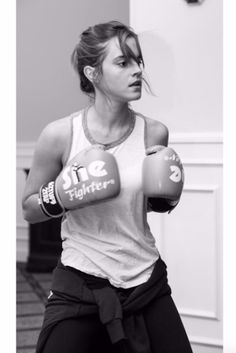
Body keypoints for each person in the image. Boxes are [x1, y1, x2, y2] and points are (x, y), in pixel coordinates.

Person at [22, 20, 192, 353]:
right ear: (92, 73)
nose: (137, 71)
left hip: (145, 277)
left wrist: (167, 193)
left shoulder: (154, 133)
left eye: (138, 60)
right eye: (123, 62)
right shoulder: (59, 135)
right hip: (81, 278)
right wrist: (62, 192)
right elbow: (28, 209)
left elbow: (150, 205)